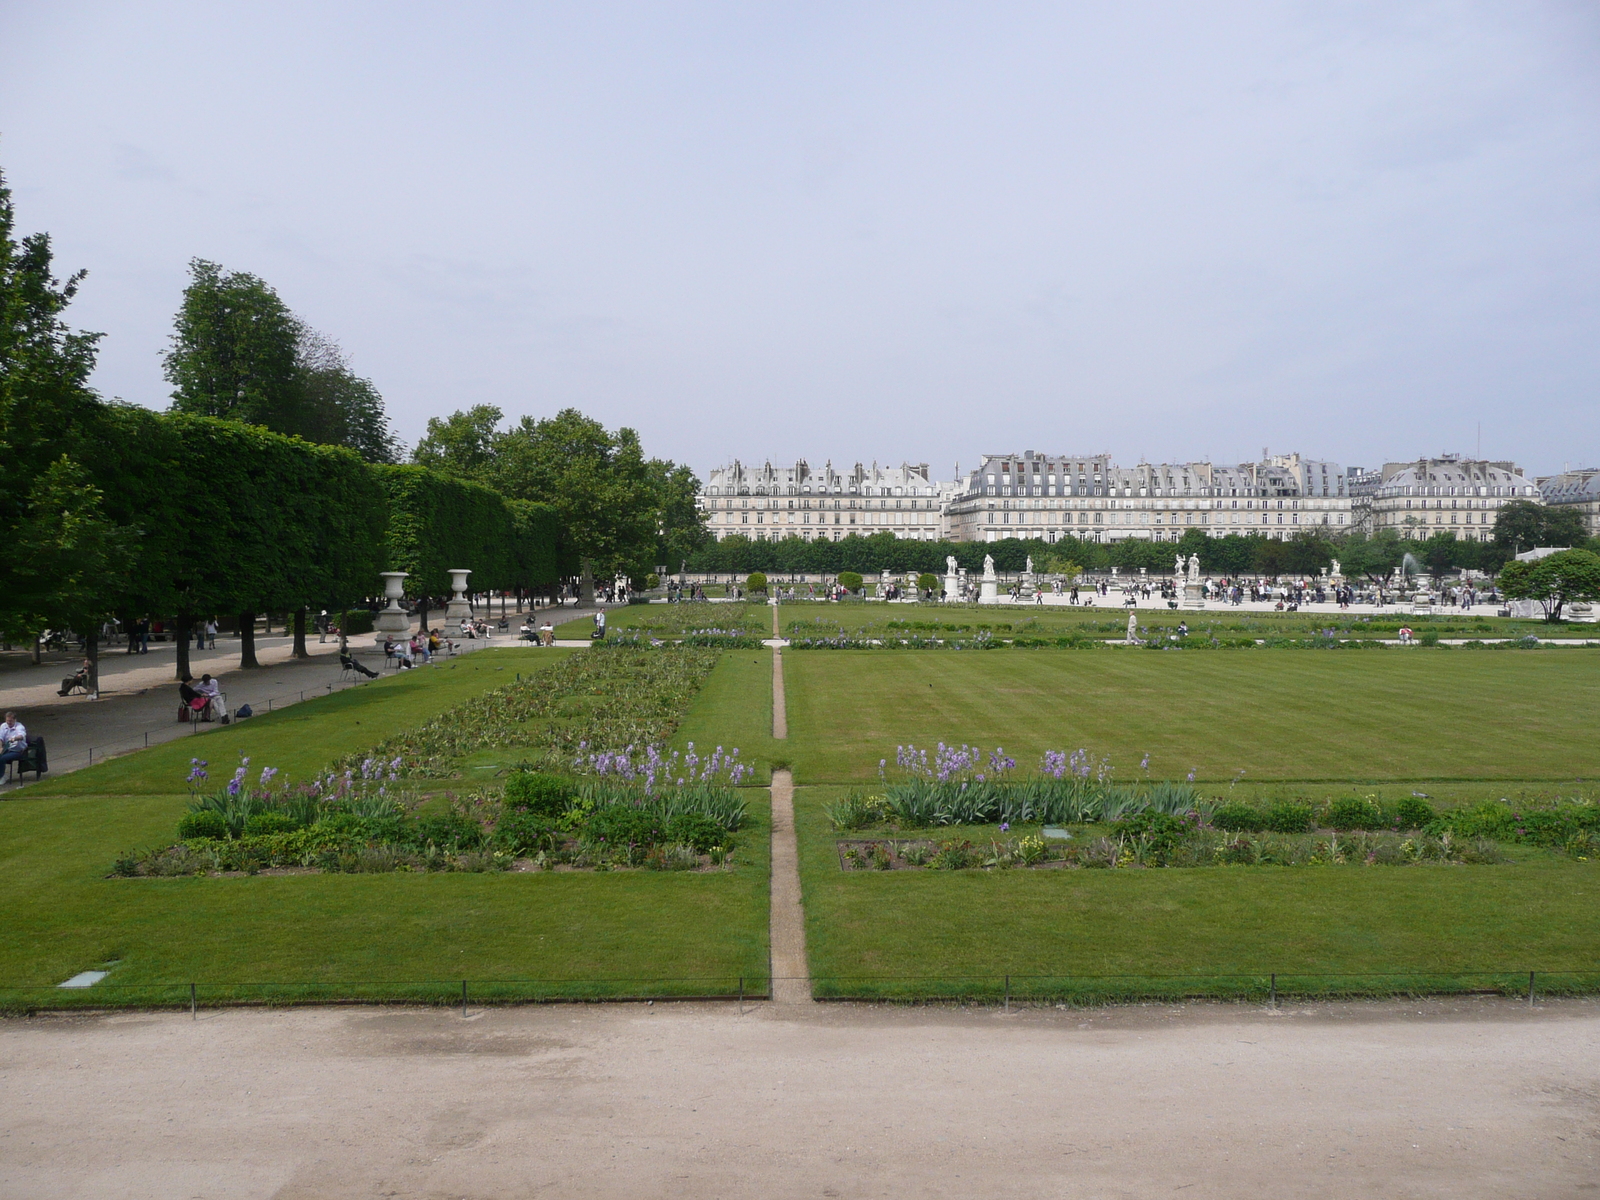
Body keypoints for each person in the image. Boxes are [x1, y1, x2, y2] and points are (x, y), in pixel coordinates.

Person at [0, 712, 28, 779]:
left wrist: (15, 738)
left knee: (2, 759)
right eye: (7, 721)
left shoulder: (19, 727)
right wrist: (0, 747)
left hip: (18, 751)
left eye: (10, 721)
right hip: (7, 749)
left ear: (15, 720)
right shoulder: (3, 726)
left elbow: (21, 736)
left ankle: (1, 776)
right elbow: (0, 738)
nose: (8, 722)